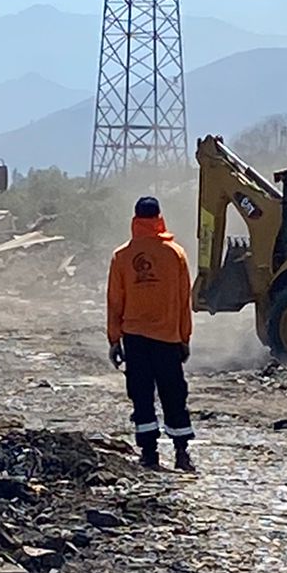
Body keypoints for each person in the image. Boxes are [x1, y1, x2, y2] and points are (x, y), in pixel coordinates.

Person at [107, 196, 195, 472]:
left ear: (135, 218)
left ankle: (149, 454)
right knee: (174, 394)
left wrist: (114, 339)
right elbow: (184, 301)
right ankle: (182, 453)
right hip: (168, 338)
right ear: (159, 217)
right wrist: (184, 337)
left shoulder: (122, 256)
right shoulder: (175, 254)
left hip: (135, 339)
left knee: (141, 395)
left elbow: (114, 301)